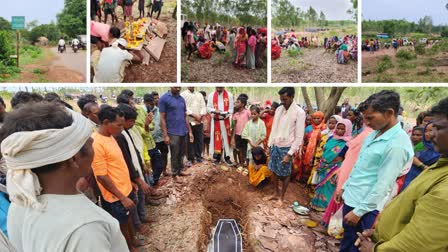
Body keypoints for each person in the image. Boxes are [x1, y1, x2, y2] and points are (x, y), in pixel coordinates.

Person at [2, 102, 128, 252]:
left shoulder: (20, 203)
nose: (93, 141)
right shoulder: (87, 226)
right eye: (88, 143)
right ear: (74, 158)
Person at [356, 97, 448, 252]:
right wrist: (380, 233)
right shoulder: (441, 167)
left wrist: (375, 249)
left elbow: (420, 243)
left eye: (438, 128)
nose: (430, 134)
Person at [336, 90, 414, 252]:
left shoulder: (397, 145)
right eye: (365, 118)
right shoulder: (375, 134)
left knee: (356, 246)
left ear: (389, 113)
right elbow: (361, 166)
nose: (366, 122)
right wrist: (345, 186)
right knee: (348, 241)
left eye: (370, 118)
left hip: (366, 208)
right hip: (353, 196)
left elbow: (383, 184)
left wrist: (359, 212)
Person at [91, 106, 138, 252]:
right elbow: (102, 176)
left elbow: (117, 165)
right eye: (119, 125)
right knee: (121, 224)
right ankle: (128, 248)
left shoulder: (111, 136)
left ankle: (133, 242)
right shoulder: (96, 143)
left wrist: (129, 182)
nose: (122, 129)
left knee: (128, 219)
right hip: (116, 197)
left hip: (124, 189)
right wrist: (122, 197)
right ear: (106, 122)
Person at [114, 104, 152, 238]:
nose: (133, 123)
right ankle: (137, 225)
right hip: (128, 176)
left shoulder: (127, 131)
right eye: (132, 121)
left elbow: (134, 151)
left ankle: (141, 219)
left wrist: (142, 165)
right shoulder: (119, 135)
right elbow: (127, 160)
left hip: (136, 170)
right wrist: (137, 179)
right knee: (134, 200)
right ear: (124, 120)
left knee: (139, 197)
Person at [267, 87, 305, 206]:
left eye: (285, 99)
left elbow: (299, 136)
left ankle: (282, 198)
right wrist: (270, 144)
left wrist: (290, 153)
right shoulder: (279, 109)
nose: (282, 102)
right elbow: (274, 128)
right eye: (281, 99)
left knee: (285, 173)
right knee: (274, 170)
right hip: (276, 144)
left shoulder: (299, 112)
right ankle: (275, 193)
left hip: (287, 147)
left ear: (292, 97)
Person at [310, 119, 352, 211]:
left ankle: (326, 208)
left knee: (329, 187)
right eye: (338, 128)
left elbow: (346, 158)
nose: (339, 131)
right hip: (323, 166)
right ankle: (316, 204)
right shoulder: (330, 138)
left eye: (342, 129)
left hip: (334, 169)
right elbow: (324, 150)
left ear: (347, 130)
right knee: (320, 185)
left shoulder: (348, 143)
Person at [159, 87, 192, 179]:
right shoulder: (164, 98)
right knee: (174, 153)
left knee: (182, 152)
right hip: (172, 131)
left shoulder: (181, 99)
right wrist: (165, 135)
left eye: (179, 87)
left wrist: (189, 130)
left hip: (183, 130)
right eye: (176, 86)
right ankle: (174, 173)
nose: (178, 88)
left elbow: (185, 115)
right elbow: (162, 118)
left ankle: (180, 170)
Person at [401, 123, 440, 191]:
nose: (427, 134)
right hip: (408, 177)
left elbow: (437, 171)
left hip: (424, 181)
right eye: (425, 131)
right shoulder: (421, 145)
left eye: (431, 131)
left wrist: (419, 164)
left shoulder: (442, 149)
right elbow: (410, 157)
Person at [207, 87, 234, 166]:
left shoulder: (229, 95)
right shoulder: (211, 95)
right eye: (217, 86)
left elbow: (231, 109)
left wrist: (224, 113)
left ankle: (227, 158)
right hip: (216, 121)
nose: (218, 88)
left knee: (226, 139)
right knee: (217, 139)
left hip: (225, 120)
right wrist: (215, 111)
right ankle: (217, 158)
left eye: (220, 86)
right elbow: (208, 108)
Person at [181, 87, 207, 166]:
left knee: (199, 139)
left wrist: (201, 115)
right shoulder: (183, 94)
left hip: (199, 120)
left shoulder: (199, 94)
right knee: (190, 140)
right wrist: (194, 115)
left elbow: (203, 106)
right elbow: (185, 108)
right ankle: (190, 159)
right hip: (189, 121)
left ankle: (198, 157)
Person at [300, 111, 326, 183]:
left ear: (322, 119)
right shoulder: (309, 128)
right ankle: (304, 180)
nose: (316, 120)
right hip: (307, 149)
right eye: (314, 118)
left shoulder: (325, 129)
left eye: (318, 118)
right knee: (305, 164)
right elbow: (304, 139)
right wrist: (302, 147)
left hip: (318, 151)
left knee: (314, 165)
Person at [232, 94, 251, 168]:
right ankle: (241, 164)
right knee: (238, 150)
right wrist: (233, 137)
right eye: (236, 102)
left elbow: (250, 123)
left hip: (245, 135)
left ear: (243, 104)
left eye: (238, 102)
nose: (236, 104)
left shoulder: (247, 112)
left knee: (245, 150)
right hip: (237, 134)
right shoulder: (235, 114)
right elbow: (233, 126)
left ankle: (246, 164)